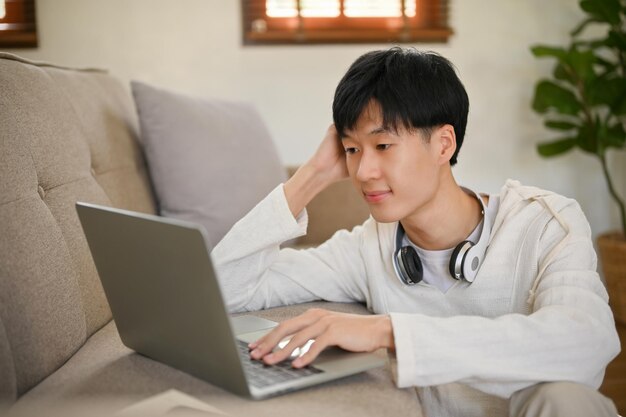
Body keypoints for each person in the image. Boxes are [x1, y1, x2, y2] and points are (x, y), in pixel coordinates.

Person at [211, 47, 620, 417]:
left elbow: (586, 343)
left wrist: (388, 332)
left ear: (444, 145)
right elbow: (224, 291)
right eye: (352, 150)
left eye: (383, 146)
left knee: (563, 399)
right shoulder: (367, 249)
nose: (364, 172)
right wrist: (310, 177)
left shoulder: (546, 225)